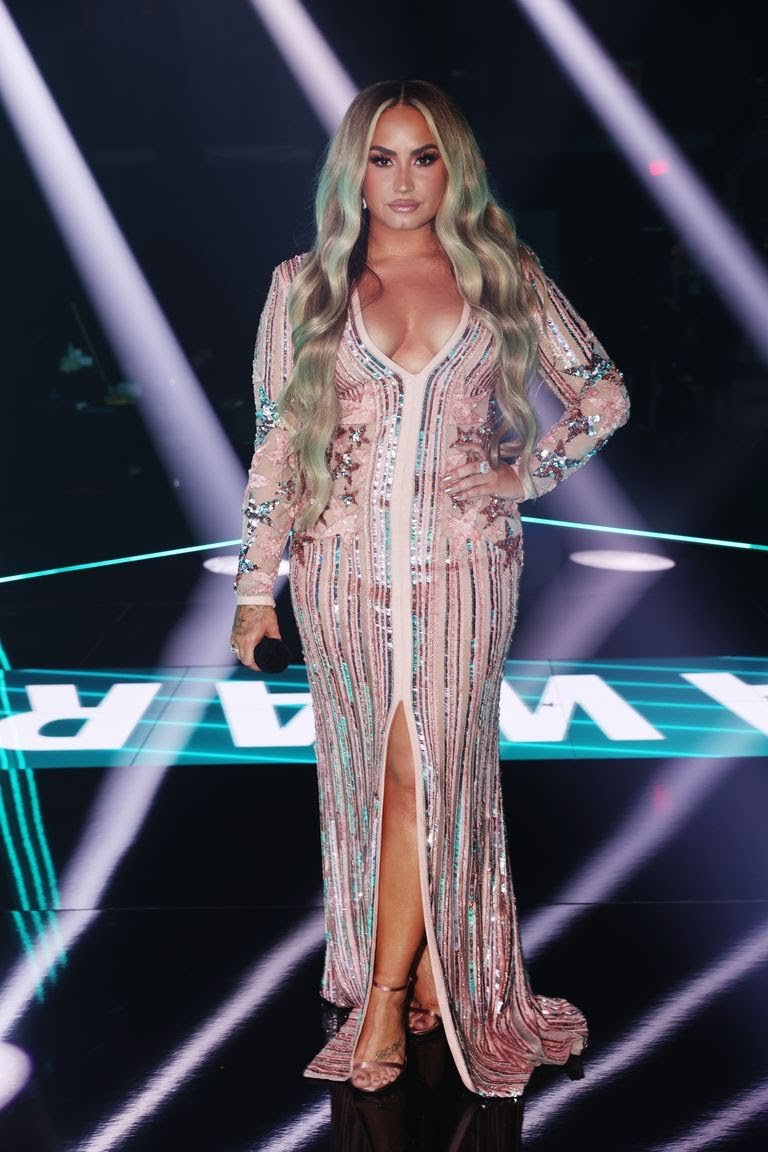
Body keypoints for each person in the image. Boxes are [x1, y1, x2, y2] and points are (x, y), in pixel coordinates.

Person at [229, 79, 629, 1098]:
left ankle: (384, 1004)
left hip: (465, 568)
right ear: (353, 172)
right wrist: (255, 588)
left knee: (428, 774)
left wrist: (523, 474)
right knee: (370, 780)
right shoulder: (304, 285)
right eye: (382, 158)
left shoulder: (501, 273)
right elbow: (278, 445)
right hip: (341, 572)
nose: (403, 181)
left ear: (455, 169)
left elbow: (601, 393)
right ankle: (414, 971)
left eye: (424, 157)